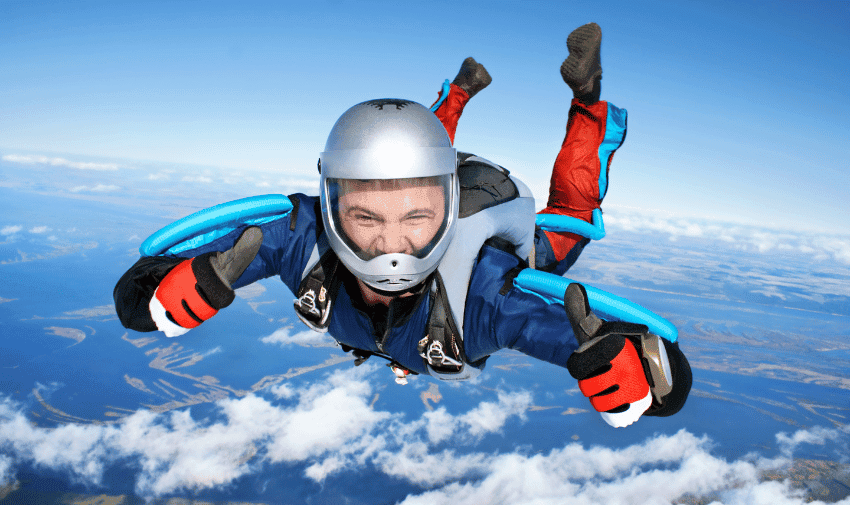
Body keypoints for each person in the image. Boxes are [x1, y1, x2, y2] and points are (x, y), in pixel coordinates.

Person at [114, 23, 691, 428]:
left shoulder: (485, 292)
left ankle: (574, 99)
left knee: (565, 224)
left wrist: (633, 365)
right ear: (331, 207)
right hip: (428, 207)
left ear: (447, 207)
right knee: (419, 170)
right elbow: (146, 288)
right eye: (364, 217)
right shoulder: (303, 237)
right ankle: (492, 99)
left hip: (490, 236)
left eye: (417, 218)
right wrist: (163, 290)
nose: (392, 246)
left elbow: (591, 339)